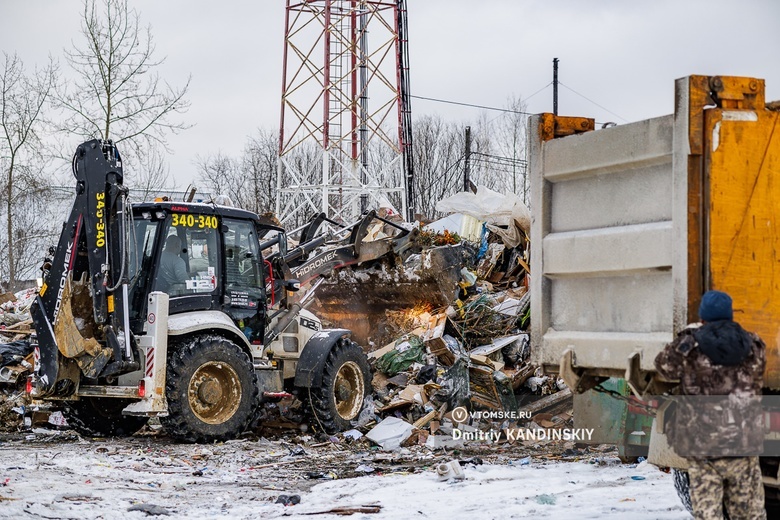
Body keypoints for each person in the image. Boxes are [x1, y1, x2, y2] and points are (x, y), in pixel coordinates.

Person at [655, 290, 766, 520]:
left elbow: (663, 367)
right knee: (748, 515)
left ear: (703, 317)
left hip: (704, 450)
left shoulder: (689, 346)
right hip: (743, 447)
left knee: (708, 515)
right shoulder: (753, 345)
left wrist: (688, 334)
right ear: (730, 315)